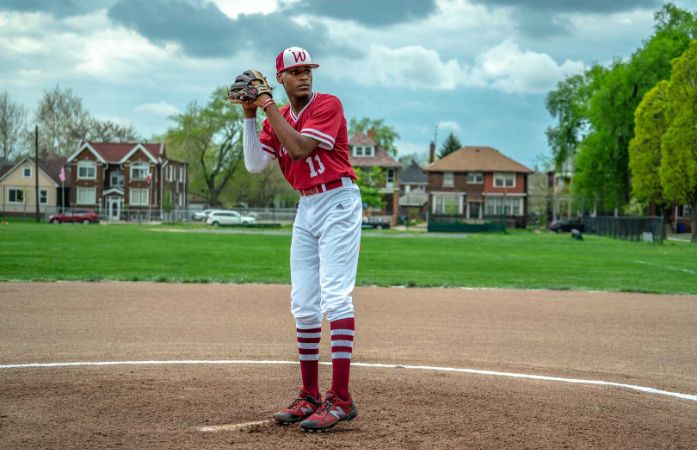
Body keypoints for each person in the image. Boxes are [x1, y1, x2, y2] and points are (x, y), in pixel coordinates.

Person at [235, 46, 361, 432]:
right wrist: (249, 114)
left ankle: (340, 399)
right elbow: (256, 163)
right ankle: (310, 395)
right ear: (283, 79)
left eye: (308, 69)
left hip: (338, 199)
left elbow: (301, 149)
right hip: (306, 207)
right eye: (295, 71)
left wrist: (267, 103)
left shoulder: (328, 104)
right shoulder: (279, 115)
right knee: (304, 304)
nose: (304, 75)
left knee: (336, 296)